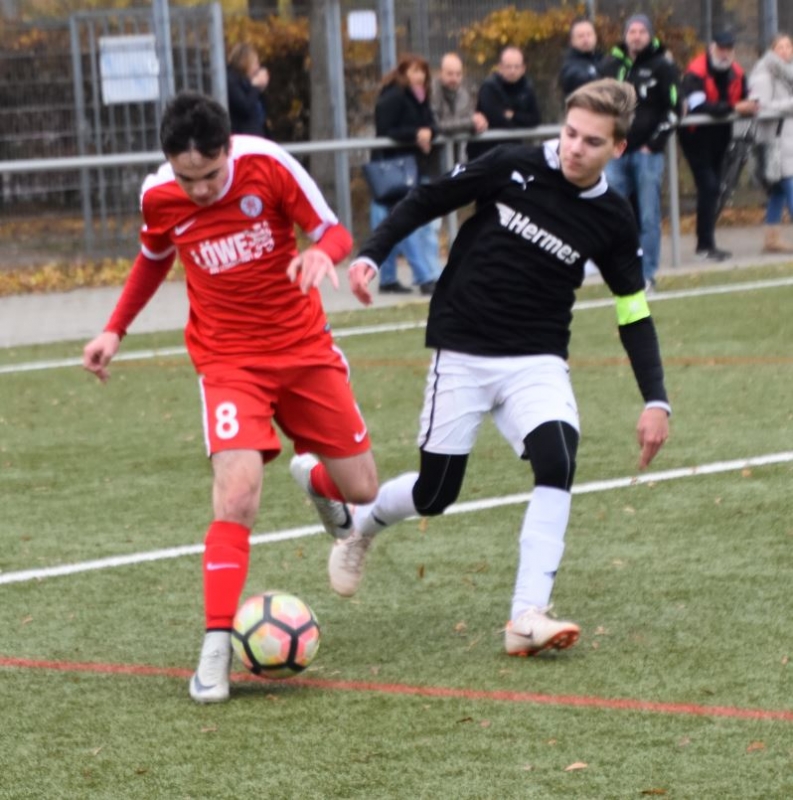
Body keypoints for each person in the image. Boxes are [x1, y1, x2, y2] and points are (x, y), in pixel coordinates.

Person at [294, 79, 671, 657]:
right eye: (570, 133)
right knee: (436, 492)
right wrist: (372, 254)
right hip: (463, 349)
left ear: (618, 148)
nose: (574, 148)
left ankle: (526, 615)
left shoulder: (613, 219)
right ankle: (359, 526)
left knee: (558, 458)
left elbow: (633, 310)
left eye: (592, 142)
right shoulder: (511, 165)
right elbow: (426, 200)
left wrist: (655, 399)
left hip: (537, 359)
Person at [82, 91, 378, 703]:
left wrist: (320, 252)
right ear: (170, 162)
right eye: (187, 177)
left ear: (228, 151)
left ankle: (317, 481)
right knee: (237, 495)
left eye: (211, 175)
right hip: (227, 361)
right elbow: (152, 259)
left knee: (363, 490)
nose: (199, 189)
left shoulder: (267, 164)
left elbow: (334, 230)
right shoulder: (158, 195)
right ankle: (215, 649)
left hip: (303, 349)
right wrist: (114, 329)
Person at [601, 14, 682, 290]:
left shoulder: (663, 66)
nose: (636, 36)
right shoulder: (610, 66)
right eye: (632, 31)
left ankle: (647, 275)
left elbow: (675, 108)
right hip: (616, 152)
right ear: (625, 35)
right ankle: (618, 271)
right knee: (611, 212)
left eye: (641, 32)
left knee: (648, 216)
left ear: (650, 35)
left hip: (647, 154)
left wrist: (654, 143)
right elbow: (598, 105)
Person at [678, 31, 759, 261]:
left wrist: (753, 104)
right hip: (695, 138)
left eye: (728, 49)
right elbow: (697, 106)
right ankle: (704, 245)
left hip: (721, 137)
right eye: (721, 49)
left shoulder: (737, 72)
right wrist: (734, 108)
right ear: (712, 48)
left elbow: (747, 96)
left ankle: (706, 243)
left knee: (714, 188)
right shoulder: (696, 71)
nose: (725, 54)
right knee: (710, 186)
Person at [370, 53, 442, 296]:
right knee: (404, 223)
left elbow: (431, 124)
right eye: (414, 71)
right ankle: (424, 277)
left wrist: (428, 132)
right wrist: (415, 135)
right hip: (392, 171)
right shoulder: (394, 96)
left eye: (422, 71)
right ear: (403, 73)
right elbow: (386, 130)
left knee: (390, 224)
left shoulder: (420, 96)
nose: (419, 76)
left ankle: (388, 278)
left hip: (410, 168)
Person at [748, 32, 793, 254]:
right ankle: (771, 239)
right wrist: (789, 105)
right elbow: (759, 106)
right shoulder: (763, 73)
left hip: (788, 139)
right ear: (772, 50)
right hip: (775, 142)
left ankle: (771, 239)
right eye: (780, 47)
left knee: (778, 192)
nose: (785, 51)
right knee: (789, 185)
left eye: (788, 46)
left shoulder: (788, 73)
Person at [467, 46, 541, 161]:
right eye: (508, 66)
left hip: (514, 152)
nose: (512, 71)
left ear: (523, 68)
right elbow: (498, 120)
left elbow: (535, 119)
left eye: (516, 67)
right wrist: (520, 119)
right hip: (486, 153)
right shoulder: (489, 87)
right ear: (500, 67)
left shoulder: (527, 88)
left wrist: (513, 115)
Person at [430, 51, 489, 172]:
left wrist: (480, 124)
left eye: (458, 74)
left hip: (461, 160)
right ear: (440, 73)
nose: (454, 78)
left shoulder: (467, 93)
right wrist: (470, 123)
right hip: (435, 161)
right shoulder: (432, 92)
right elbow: (436, 125)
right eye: (450, 74)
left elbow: (469, 122)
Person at [226, 43, 270, 136]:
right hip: (243, 135)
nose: (258, 68)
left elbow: (261, 111)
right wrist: (255, 86)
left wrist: (260, 89)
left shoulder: (246, 81)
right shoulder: (231, 81)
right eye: (255, 63)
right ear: (245, 63)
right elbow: (245, 108)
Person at [559, 17, 605, 98]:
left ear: (595, 37)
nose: (586, 40)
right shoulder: (570, 67)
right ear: (572, 41)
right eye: (580, 36)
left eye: (589, 34)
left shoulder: (603, 59)